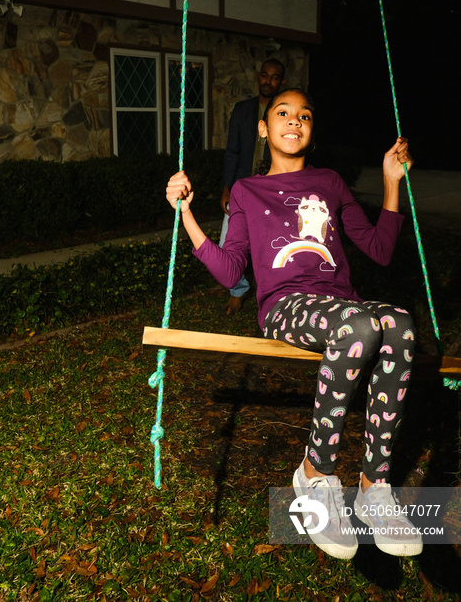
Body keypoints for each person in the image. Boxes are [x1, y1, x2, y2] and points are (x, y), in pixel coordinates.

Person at [166, 88, 422, 560]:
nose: (294, 120)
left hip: (342, 304)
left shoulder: (329, 182)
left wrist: (392, 182)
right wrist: (186, 214)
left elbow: (379, 249)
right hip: (286, 306)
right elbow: (230, 270)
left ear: (311, 130)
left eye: (305, 115)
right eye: (282, 113)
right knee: (360, 326)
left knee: (402, 325)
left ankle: (373, 486)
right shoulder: (246, 190)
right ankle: (315, 473)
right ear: (263, 128)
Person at [220, 58, 285, 315]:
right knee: (228, 241)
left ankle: (276, 295)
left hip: (273, 190)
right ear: (258, 77)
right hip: (241, 190)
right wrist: (227, 187)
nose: (268, 81)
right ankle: (238, 290)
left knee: (275, 246)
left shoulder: (284, 111)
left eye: (275, 77)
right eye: (265, 75)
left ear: (281, 81)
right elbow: (232, 151)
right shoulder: (242, 110)